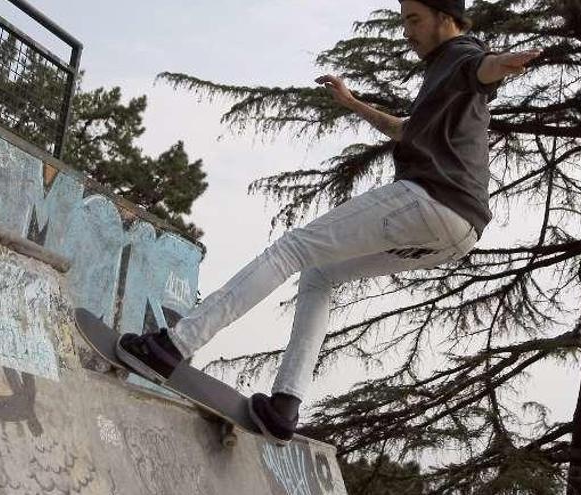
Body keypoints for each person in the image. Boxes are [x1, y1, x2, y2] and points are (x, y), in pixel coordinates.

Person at [116, 0, 542, 445]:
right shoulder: (443, 77)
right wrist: (353, 103)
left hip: (430, 199)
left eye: (414, 20)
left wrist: (500, 64)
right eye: (402, 22)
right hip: (459, 233)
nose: (406, 33)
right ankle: (285, 405)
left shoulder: (459, 54)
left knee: (293, 249)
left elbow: (481, 67)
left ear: (446, 17)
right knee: (320, 275)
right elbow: (405, 130)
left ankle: (173, 346)